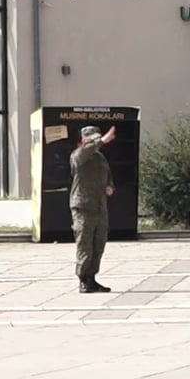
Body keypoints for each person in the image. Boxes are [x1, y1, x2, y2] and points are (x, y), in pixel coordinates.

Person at [69, 124, 117, 293]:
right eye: (92, 139)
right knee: (85, 245)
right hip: (83, 207)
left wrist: (110, 186)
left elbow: (108, 177)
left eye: (98, 138)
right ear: (84, 140)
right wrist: (101, 140)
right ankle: (82, 279)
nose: (97, 142)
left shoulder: (100, 158)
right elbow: (87, 151)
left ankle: (92, 279)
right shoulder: (78, 155)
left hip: (100, 207)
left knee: (98, 245)